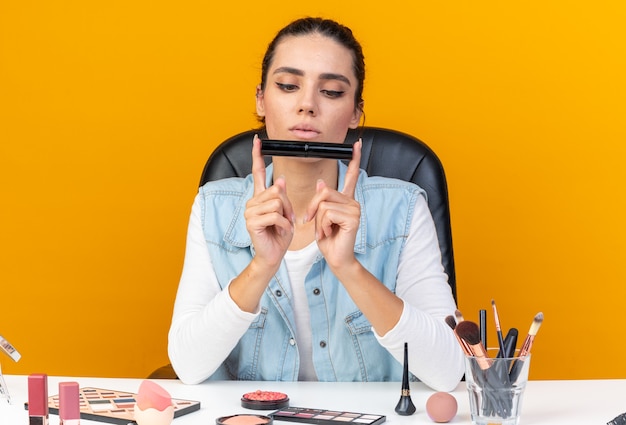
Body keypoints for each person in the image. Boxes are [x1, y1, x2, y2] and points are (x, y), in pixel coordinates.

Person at [167, 17, 464, 391]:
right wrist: (262, 265)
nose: (307, 105)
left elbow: (449, 370)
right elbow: (188, 366)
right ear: (261, 98)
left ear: (356, 111)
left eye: (332, 92)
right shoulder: (213, 208)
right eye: (289, 86)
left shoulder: (402, 209)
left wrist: (349, 266)